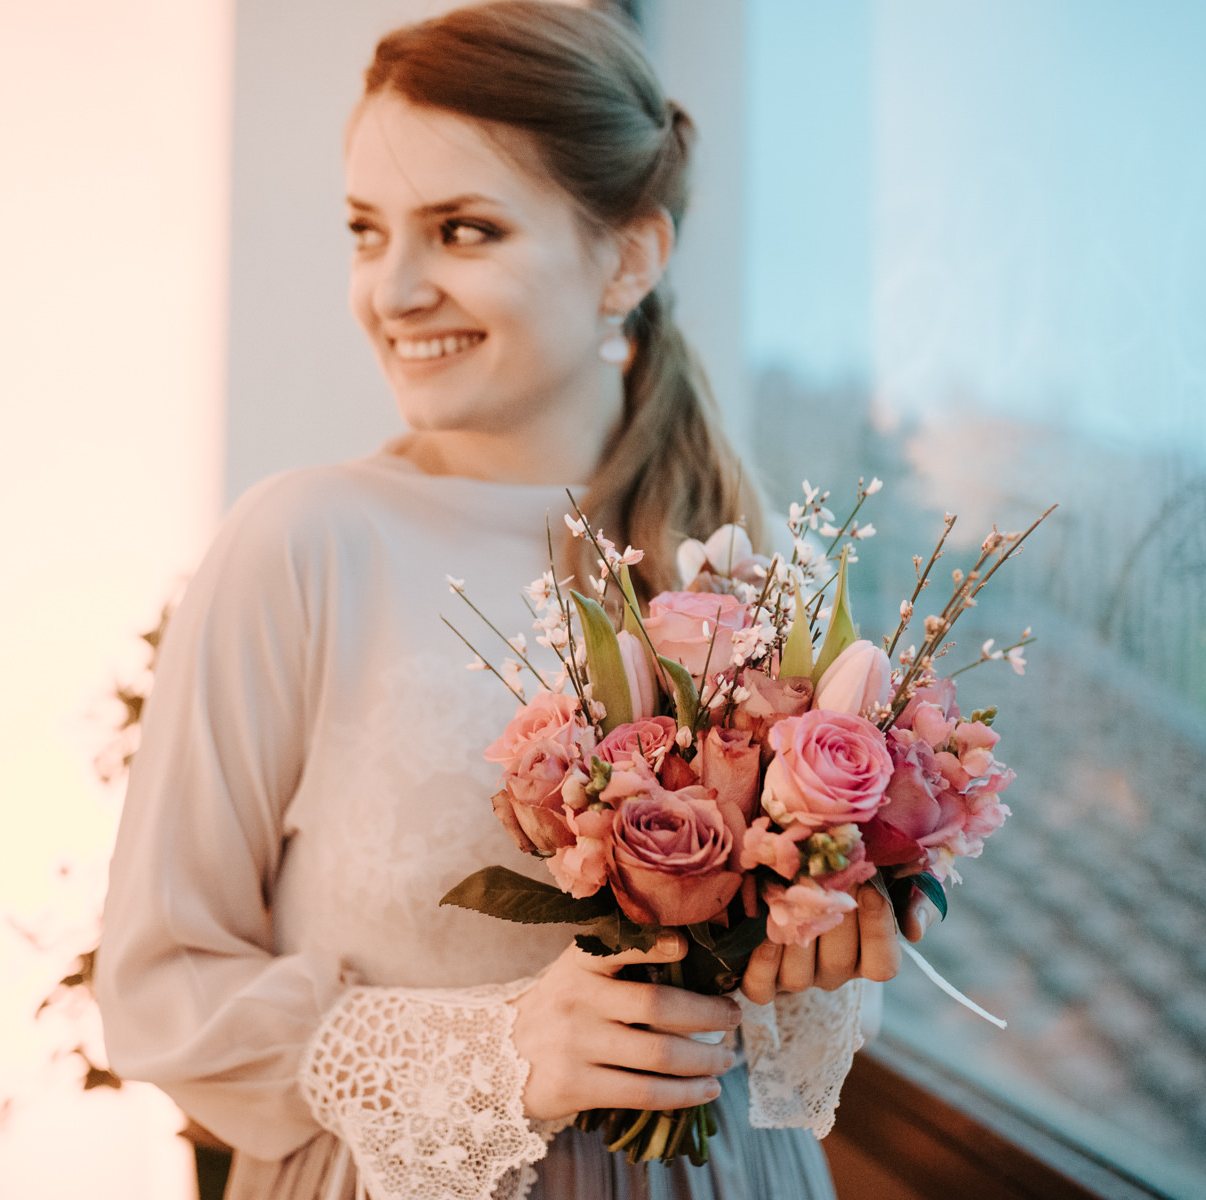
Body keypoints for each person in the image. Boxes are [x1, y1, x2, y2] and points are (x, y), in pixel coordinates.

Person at [99, 5, 931, 1198]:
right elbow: (158, 984)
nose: (391, 289)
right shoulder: (298, 546)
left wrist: (820, 952)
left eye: (463, 229)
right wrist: (497, 1056)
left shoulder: (749, 569)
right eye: (365, 230)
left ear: (629, 260)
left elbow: (802, 1034)